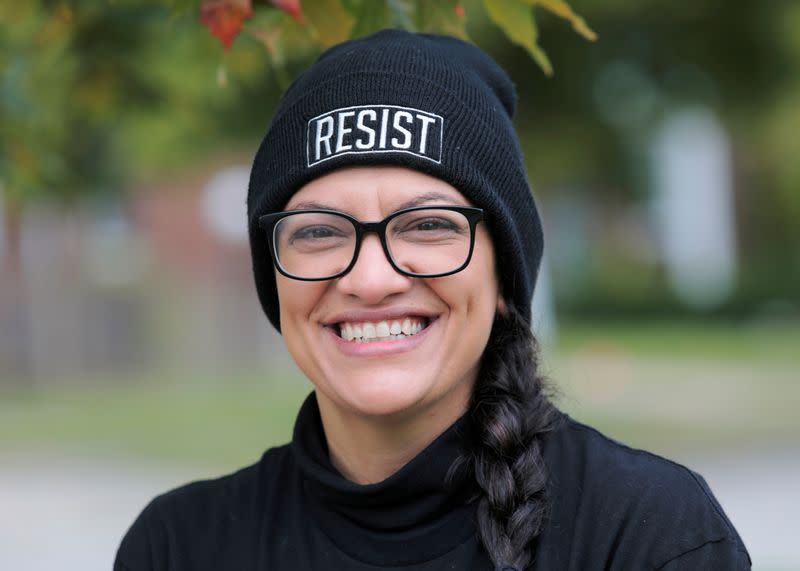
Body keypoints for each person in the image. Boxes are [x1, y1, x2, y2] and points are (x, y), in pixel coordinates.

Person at [114, 29, 750, 570]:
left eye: (427, 226)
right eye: (317, 231)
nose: (369, 279)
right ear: (275, 280)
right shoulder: (178, 547)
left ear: (504, 279)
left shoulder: (650, 537)